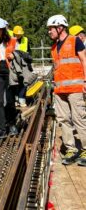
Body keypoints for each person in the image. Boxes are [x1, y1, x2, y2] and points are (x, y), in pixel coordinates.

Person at [47, 15, 86, 166]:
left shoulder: (74, 41)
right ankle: (71, 149)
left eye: (51, 28)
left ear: (60, 27)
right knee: (63, 119)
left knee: (79, 119)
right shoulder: (53, 47)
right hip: (60, 90)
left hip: (75, 88)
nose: (49, 31)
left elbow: (84, 60)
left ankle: (85, 149)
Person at [13, 25, 31, 107]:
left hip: (24, 63)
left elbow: (29, 51)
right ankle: (15, 99)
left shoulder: (26, 40)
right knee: (15, 81)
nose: (19, 36)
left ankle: (22, 99)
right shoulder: (11, 40)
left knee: (24, 81)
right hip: (14, 63)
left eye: (20, 34)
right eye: (17, 34)